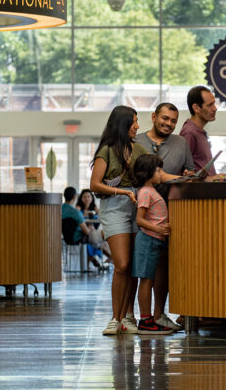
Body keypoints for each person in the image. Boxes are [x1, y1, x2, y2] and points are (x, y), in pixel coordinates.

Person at [90, 106, 148, 336]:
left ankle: (127, 315)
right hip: (115, 206)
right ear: (123, 125)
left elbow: (154, 173)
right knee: (122, 264)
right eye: (134, 122)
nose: (137, 126)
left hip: (137, 206)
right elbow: (95, 184)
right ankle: (114, 318)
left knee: (132, 266)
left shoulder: (139, 149)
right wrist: (123, 193)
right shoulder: (106, 151)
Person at [134, 102, 191, 332]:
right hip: (148, 227)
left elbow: (187, 173)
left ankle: (157, 315)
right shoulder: (136, 141)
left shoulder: (181, 144)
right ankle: (141, 318)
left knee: (162, 271)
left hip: (164, 222)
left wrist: (189, 175)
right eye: (165, 118)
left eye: (173, 121)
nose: (168, 124)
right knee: (142, 275)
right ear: (154, 116)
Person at [131, 153, 174, 335]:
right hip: (148, 240)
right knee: (146, 281)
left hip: (154, 241)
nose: (161, 174)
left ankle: (148, 319)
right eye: (158, 170)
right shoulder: (146, 192)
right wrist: (158, 229)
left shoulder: (151, 190)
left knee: (150, 279)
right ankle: (146, 320)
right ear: (148, 172)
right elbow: (140, 220)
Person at [61, 186, 104, 270]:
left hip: (66, 238)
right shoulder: (76, 212)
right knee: (104, 236)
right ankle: (110, 258)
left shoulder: (60, 209)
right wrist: (90, 230)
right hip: (77, 237)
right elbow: (86, 232)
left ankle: (96, 259)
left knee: (96, 240)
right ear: (75, 197)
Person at [180, 86, 218, 174]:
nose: (215, 108)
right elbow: (186, 175)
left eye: (214, 103)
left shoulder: (199, 132)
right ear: (196, 108)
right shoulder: (189, 133)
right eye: (210, 105)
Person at [76, 189, 112, 262]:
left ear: (92, 198)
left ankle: (97, 260)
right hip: (83, 232)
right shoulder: (78, 207)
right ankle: (108, 258)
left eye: (89, 197)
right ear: (81, 198)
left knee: (100, 240)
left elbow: (102, 216)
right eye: (84, 197)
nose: (87, 199)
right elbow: (77, 217)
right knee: (93, 242)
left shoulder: (94, 207)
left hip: (92, 231)